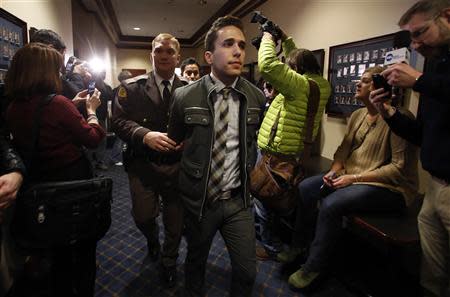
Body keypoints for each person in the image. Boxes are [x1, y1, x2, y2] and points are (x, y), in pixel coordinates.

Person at [281, 66, 419, 290]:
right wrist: (334, 171)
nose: (358, 84)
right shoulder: (357, 115)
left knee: (332, 204)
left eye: (364, 81)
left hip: (391, 188)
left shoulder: (399, 118)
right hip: (352, 176)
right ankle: (299, 245)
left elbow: (398, 169)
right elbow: (343, 152)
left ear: (379, 89)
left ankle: (315, 266)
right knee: (306, 187)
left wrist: (352, 178)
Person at [168, 15, 266, 297]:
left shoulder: (256, 97)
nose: (238, 51)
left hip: (238, 200)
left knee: (247, 272)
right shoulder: (184, 96)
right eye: (228, 44)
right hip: (201, 201)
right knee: (196, 262)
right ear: (209, 56)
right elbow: (175, 140)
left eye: (242, 45)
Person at [5, 42, 104, 297]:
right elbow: (93, 138)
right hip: (72, 183)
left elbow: (44, 120)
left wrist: (71, 104)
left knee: (57, 250)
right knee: (81, 252)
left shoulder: (14, 106)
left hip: (41, 183)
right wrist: (92, 111)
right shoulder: (58, 103)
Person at [369, 1, 450, 296]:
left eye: (420, 34)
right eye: (411, 39)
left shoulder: (429, 77)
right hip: (435, 189)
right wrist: (387, 111)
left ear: (447, 17)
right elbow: (421, 134)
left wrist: (419, 81)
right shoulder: (435, 65)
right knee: (431, 277)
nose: (415, 46)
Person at [112, 33, 185, 288]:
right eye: (158, 51)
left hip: (178, 165)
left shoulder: (190, 88)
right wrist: (145, 135)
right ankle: (152, 240)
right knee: (143, 217)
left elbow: (202, 122)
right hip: (142, 164)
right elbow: (118, 122)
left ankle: (169, 261)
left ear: (178, 57)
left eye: (169, 51)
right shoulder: (131, 87)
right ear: (151, 55)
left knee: (176, 222)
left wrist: (191, 139)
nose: (163, 56)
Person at [254, 28, 331, 260]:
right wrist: (286, 39)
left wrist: (268, 38)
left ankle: (270, 247)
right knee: (280, 200)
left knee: (264, 199)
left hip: (275, 154)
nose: (287, 68)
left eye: (290, 65)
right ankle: (283, 244)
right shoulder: (320, 84)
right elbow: (296, 59)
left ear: (296, 69)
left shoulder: (298, 85)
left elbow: (267, 65)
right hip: (293, 153)